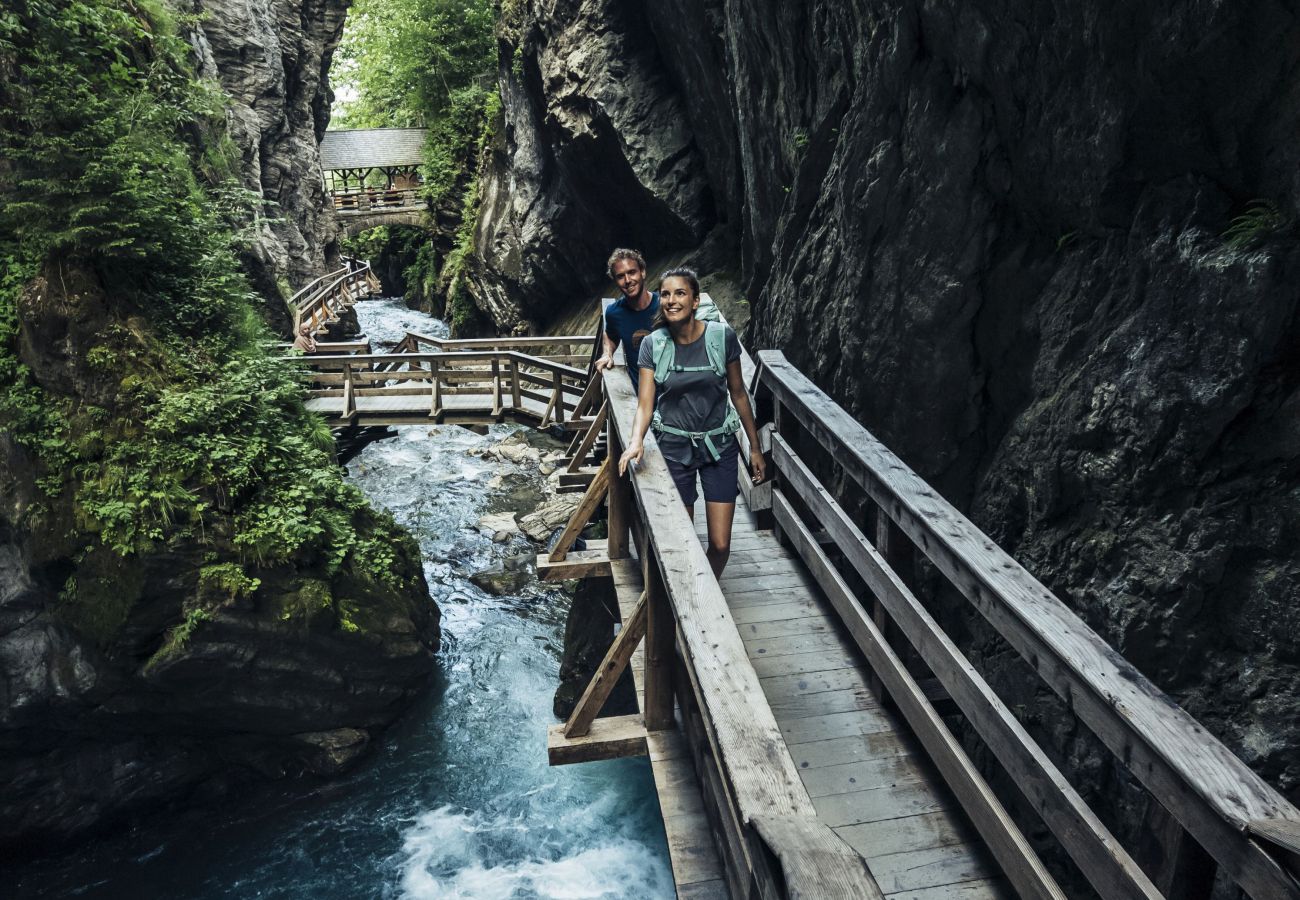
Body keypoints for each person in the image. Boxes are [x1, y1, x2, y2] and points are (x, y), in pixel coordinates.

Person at [618, 267, 766, 576]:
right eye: (667, 294)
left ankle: (705, 591)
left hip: (719, 446)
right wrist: (635, 443)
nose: (672, 300)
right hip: (673, 448)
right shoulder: (653, 345)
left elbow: (738, 394)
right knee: (683, 542)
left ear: (696, 301)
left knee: (721, 544)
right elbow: (645, 405)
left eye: (680, 293)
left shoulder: (720, 337)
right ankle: (694, 603)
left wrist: (754, 448)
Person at [594, 248, 658, 390]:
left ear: (642, 272)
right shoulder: (614, 313)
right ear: (615, 281)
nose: (628, 280)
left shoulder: (665, 305)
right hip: (642, 397)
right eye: (620, 276)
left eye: (632, 272)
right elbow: (610, 335)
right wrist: (607, 353)